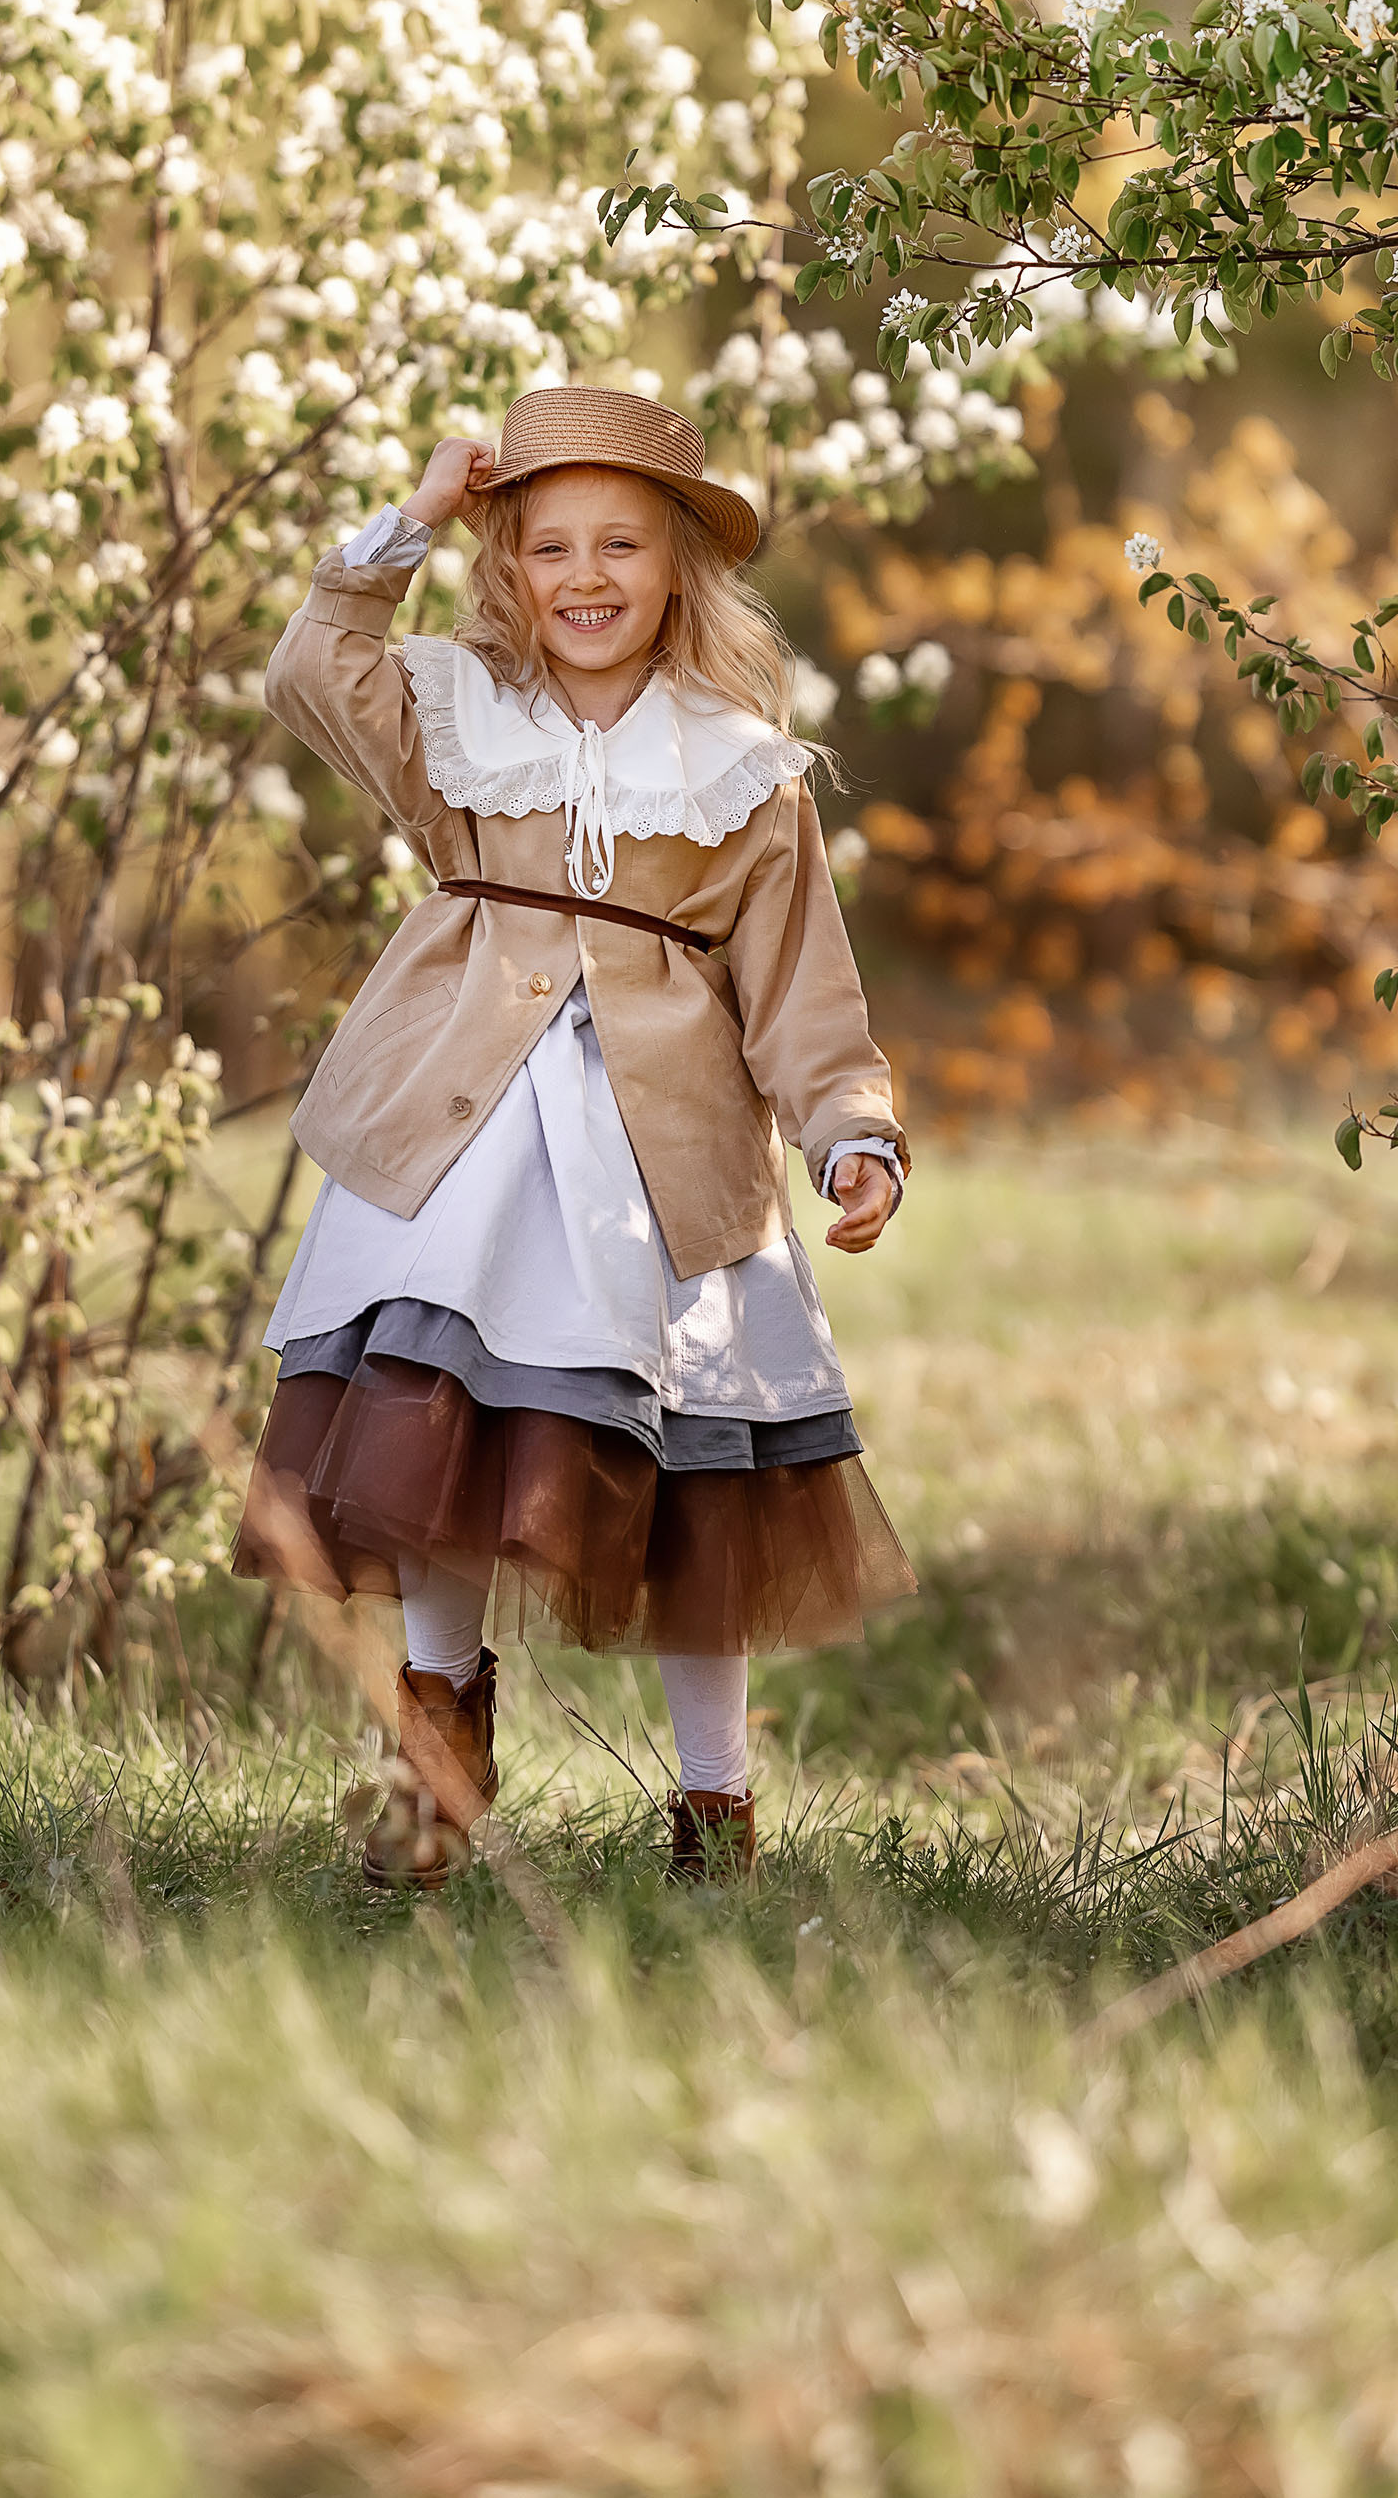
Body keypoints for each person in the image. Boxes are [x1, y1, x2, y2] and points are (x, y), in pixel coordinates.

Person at [232, 383, 915, 1886]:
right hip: (463, 1136)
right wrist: (413, 515)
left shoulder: (741, 767)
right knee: (436, 1429)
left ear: (680, 569)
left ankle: (716, 1805)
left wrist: (850, 1131)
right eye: (551, 549)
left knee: (701, 1481)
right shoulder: (456, 722)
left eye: (623, 546)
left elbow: (804, 988)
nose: (589, 579)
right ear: (508, 570)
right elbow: (306, 668)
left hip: (667, 1171)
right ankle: (437, 1734)